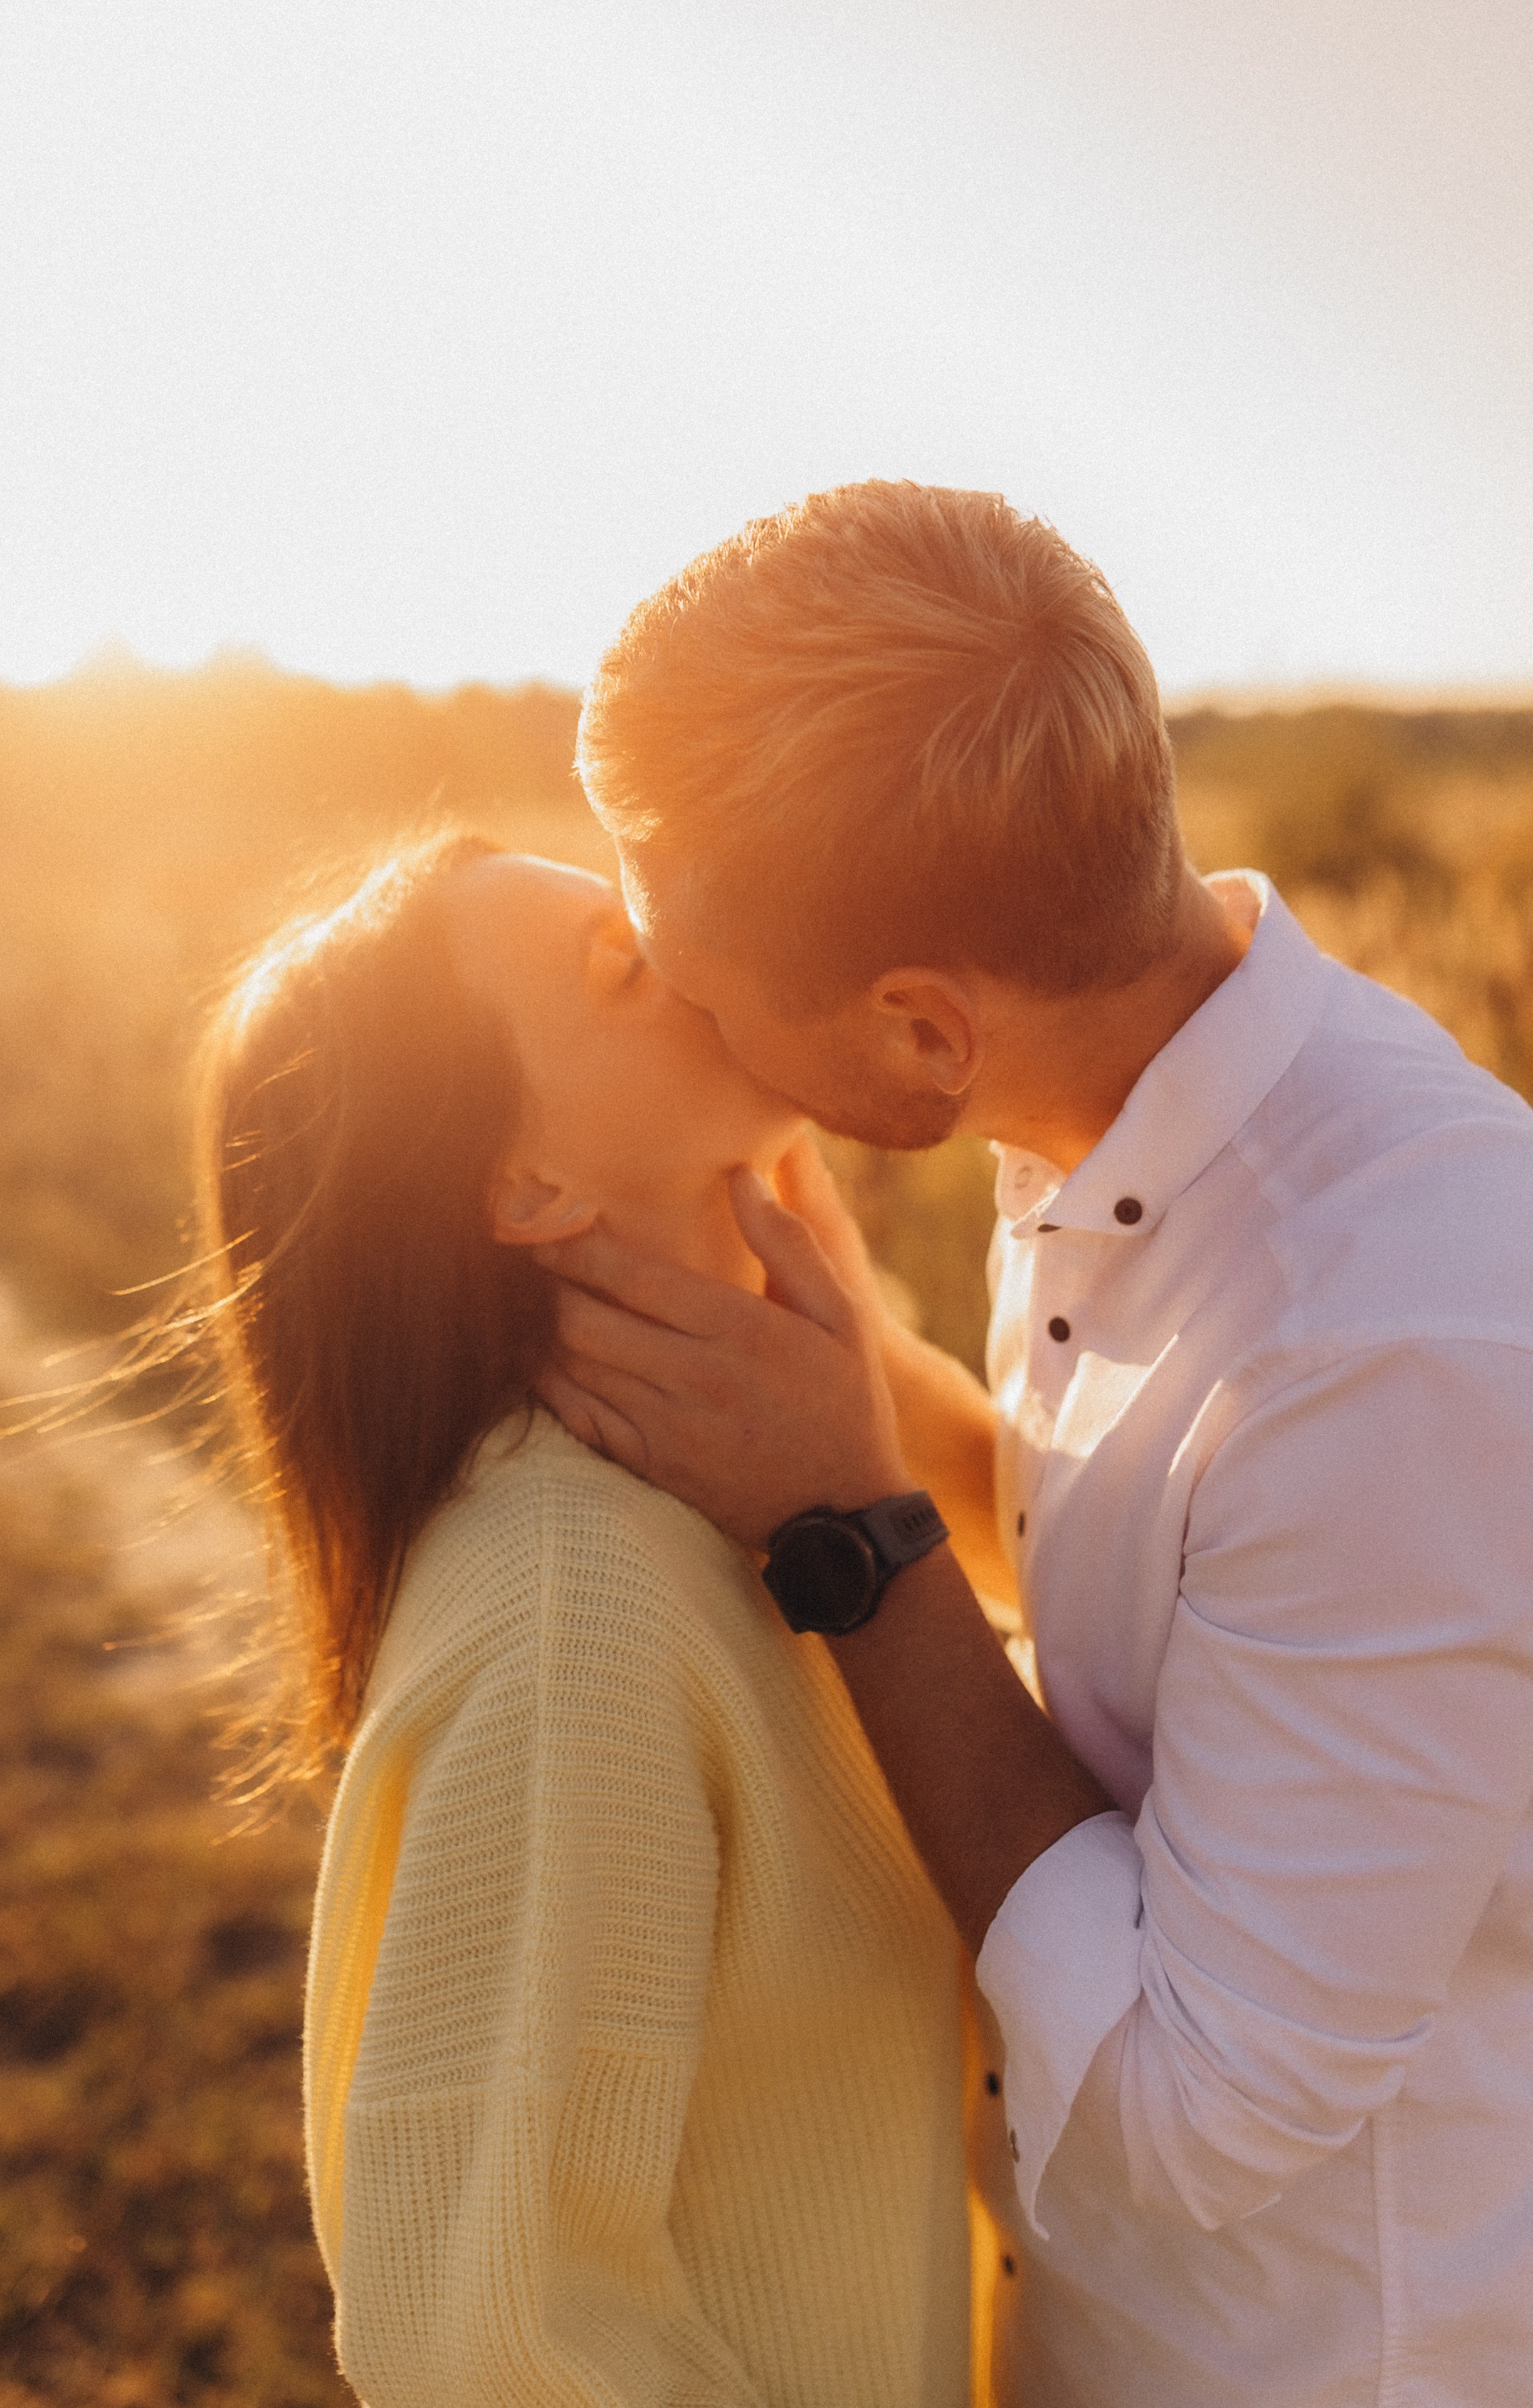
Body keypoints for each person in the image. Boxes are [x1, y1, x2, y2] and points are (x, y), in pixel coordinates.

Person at [537, 481, 1533, 2407]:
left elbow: (1199, 2109)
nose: (668, 1005)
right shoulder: (1131, 1092)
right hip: (1084, 2315)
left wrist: (848, 1526)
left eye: (692, 970)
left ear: (921, 1032)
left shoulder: (1396, 1329)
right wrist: (866, 1378)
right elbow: (1160, 1582)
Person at [196, 829, 989, 2408]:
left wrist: (863, 1418)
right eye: (623, 966)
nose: (688, 953)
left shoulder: (748, 1485)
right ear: (524, 1184)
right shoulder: (577, 1612)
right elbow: (490, 2337)